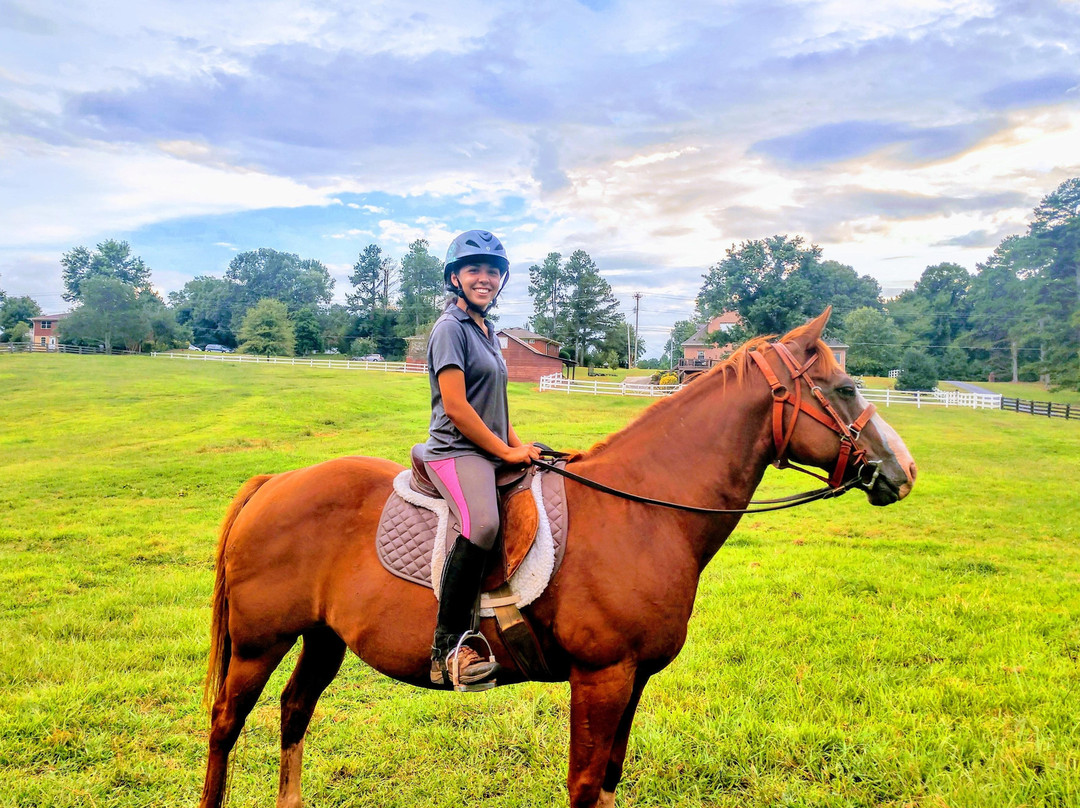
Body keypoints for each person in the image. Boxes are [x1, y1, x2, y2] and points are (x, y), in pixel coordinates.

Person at [422, 229, 541, 688]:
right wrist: (505, 451)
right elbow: (458, 407)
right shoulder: (450, 329)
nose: (484, 278)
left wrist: (522, 447)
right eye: (474, 269)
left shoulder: (487, 331)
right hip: (456, 450)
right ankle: (446, 647)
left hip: (488, 447)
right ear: (455, 278)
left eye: (492, 271)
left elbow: (495, 404)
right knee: (484, 525)